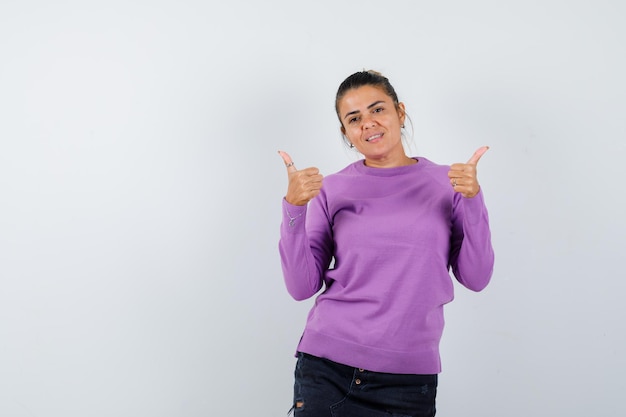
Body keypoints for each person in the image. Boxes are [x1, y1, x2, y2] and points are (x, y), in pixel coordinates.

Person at [277, 70, 494, 417]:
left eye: (377, 109)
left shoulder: (448, 184)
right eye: (354, 118)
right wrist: (294, 209)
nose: (368, 123)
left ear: (400, 112)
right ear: (346, 133)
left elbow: (477, 277)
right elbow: (301, 287)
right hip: (328, 371)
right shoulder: (331, 190)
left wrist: (473, 200)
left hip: (409, 383)